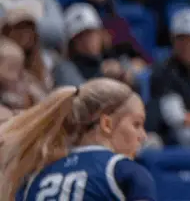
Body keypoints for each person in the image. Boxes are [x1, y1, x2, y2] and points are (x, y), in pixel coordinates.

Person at [0, 78, 155, 201]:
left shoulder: (36, 178)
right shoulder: (127, 172)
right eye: (137, 124)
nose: (143, 135)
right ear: (107, 124)